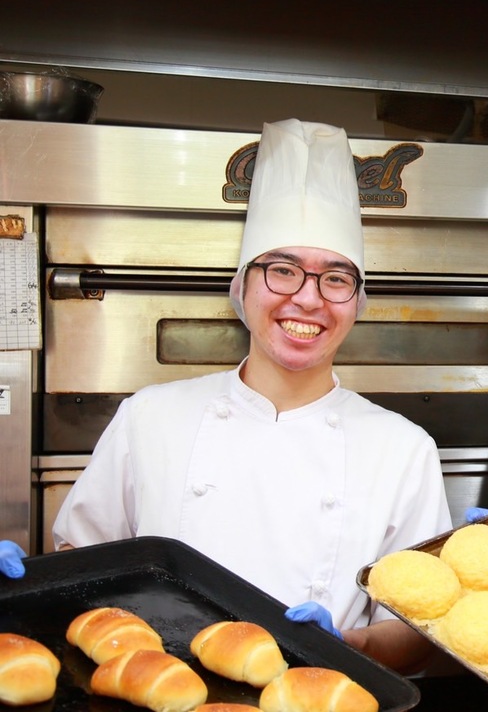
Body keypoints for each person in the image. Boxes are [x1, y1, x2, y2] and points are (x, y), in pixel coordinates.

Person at [22, 119, 450, 673]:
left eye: (336, 278)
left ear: (357, 302)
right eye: (282, 270)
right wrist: (37, 587)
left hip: (318, 697)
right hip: (161, 691)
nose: (308, 299)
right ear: (242, 287)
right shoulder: (150, 416)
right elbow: (80, 560)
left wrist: (354, 644)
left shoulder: (402, 447)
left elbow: (421, 632)